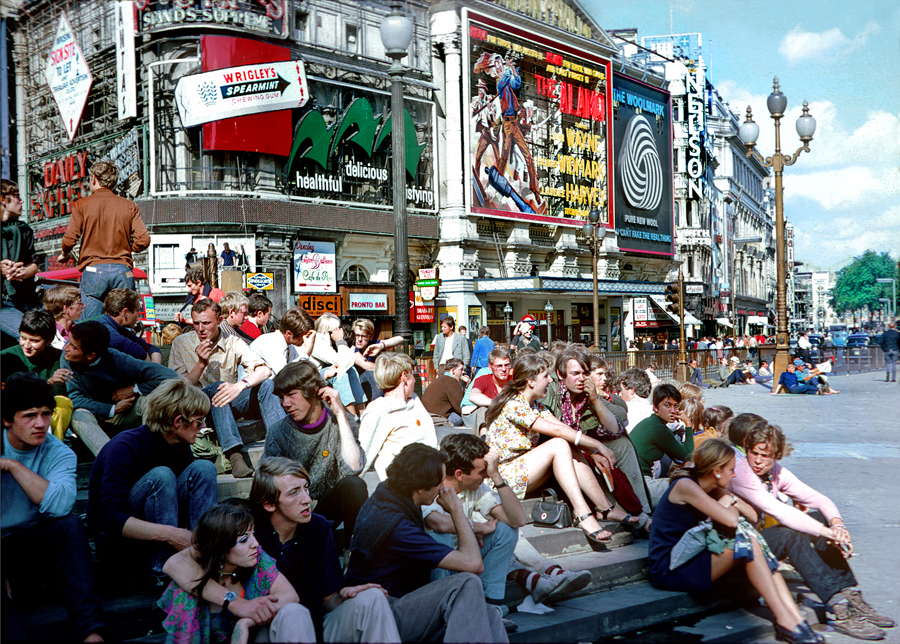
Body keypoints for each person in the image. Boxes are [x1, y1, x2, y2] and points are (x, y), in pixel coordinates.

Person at [165, 458, 400, 643]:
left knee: (373, 598)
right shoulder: (244, 524)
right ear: (269, 504)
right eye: (294, 492)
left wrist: (346, 595)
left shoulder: (318, 527)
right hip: (266, 631)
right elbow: (176, 563)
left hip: (316, 626)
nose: (307, 499)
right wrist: (236, 603)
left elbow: (328, 600)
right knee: (291, 613)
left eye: (306, 488)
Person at [731, 422, 894, 640]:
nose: (759, 461)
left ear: (776, 456)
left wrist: (837, 525)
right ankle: (839, 609)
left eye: (766, 456)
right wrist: (829, 534)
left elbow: (817, 499)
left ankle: (850, 594)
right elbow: (780, 512)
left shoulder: (775, 472)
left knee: (818, 517)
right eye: (755, 453)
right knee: (790, 534)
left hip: (756, 541)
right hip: (736, 548)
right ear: (747, 450)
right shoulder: (742, 471)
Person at [648, 439, 821, 644]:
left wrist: (728, 497)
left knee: (754, 542)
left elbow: (752, 516)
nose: (735, 475)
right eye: (731, 470)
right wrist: (728, 501)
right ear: (716, 471)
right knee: (748, 542)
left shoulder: (713, 486)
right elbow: (731, 520)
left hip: (693, 555)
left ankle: (794, 619)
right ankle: (785, 621)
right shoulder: (686, 486)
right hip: (670, 566)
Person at [345, 443, 509, 642]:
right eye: (439, 482)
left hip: (397, 603)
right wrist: (457, 510)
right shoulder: (396, 526)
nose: (443, 487)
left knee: (489, 614)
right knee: (466, 583)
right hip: (380, 614)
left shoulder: (389, 495)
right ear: (421, 489)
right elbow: (473, 564)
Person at [1, 373, 106, 643]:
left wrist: (13, 466)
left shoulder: (58, 452)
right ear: (6, 419)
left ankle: (91, 632)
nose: (40, 424)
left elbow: (60, 506)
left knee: (69, 525)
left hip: (35, 549)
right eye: (29, 415)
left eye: (46, 414)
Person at [86, 378, 218, 583]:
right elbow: (109, 517)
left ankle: (204, 556)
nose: (204, 426)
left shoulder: (179, 444)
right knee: (162, 475)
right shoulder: (124, 446)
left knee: (205, 468)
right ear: (177, 422)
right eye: (199, 421)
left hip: (166, 530)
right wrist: (172, 534)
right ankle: (164, 572)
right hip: (117, 541)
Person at [484, 351, 620, 546]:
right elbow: (558, 430)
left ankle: (605, 507)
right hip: (502, 477)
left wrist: (592, 452)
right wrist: (598, 445)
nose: (550, 380)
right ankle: (583, 514)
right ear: (531, 381)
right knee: (559, 443)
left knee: (568, 443)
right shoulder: (514, 405)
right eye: (545, 376)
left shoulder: (536, 406)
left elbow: (566, 429)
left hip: (522, 470)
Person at [158, 501, 308, 644]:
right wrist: (237, 605)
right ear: (220, 548)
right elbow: (172, 564)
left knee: (294, 612)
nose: (255, 544)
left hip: (255, 639)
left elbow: (289, 595)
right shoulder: (190, 579)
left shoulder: (257, 558)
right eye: (243, 540)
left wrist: (245, 622)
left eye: (252, 534)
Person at [169, 298, 285, 478]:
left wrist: (240, 385)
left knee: (267, 385)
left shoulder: (233, 341)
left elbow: (265, 370)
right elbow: (178, 389)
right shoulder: (181, 343)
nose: (200, 328)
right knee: (218, 387)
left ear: (219, 321)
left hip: (228, 402)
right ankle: (234, 454)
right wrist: (200, 364)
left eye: (206, 323)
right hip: (196, 404)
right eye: (196, 323)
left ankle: (279, 448)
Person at [541, 347, 652, 523]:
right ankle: (615, 510)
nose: (580, 378)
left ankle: (642, 511)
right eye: (575, 373)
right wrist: (594, 450)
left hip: (579, 446)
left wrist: (595, 398)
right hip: (554, 452)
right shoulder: (550, 391)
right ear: (560, 375)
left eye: (584, 373)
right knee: (594, 456)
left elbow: (615, 428)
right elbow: (553, 432)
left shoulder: (584, 393)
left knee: (622, 444)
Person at [264, 361, 367, 542]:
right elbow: (269, 489)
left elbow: (353, 468)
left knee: (354, 485)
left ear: (314, 392)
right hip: (293, 517)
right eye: (281, 397)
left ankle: (354, 552)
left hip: (326, 510)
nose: (285, 403)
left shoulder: (341, 421)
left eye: (291, 395)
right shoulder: (278, 433)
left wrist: (341, 414)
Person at [424, 434, 524, 613]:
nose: (485, 477)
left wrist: (496, 476)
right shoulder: (430, 484)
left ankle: (490, 601)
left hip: (464, 561)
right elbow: (439, 524)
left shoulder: (475, 489)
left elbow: (517, 520)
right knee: (441, 538)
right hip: (432, 571)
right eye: (482, 472)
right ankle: (442, 608)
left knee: (507, 530)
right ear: (459, 474)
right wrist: (478, 527)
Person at [58, 161, 150, 321]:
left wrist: (64, 253)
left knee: (91, 326)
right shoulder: (129, 206)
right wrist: (128, 247)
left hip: (94, 271)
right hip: (123, 270)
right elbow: (144, 240)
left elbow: (69, 239)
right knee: (123, 326)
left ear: (93, 179)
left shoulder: (82, 205)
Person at [62, 321, 177, 434]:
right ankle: (108, 453)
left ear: (91, 356)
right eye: (69, 342)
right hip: (95, 417)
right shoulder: (67, 358)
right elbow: (75, 399)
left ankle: (150, 446)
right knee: (79, 415)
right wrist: (112, 409)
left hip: (124, 414)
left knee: (147, 401)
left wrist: (134, 389)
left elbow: (169, 376)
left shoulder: (116, 359)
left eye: (73, 346)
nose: (65, 348)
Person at [358, 352, 436, 480]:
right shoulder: (379, 410)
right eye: (412, 375)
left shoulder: (414, 400)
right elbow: (363, 457)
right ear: (404, 377)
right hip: (406, 483)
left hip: (434, 474)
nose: (415, 379)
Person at [1, 308, 74, 439]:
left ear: (49, 340)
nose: (27, 345)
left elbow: (59, 395)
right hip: (15, 416)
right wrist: (48, 383)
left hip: (46, 412)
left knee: (63, 403)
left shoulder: (57, 357)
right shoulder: (7, 357)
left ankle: (51, 447)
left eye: (34, 341)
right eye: (23, 338)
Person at [629, 384, 693, 507]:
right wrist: (689, 424)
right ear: (656, 407)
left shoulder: (651, 423)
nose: (673, 411)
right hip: (641, 487)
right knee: (691, 484)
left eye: (676, 406)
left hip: (635, 481)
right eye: (667, 405)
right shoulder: (658, 429)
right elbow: (688, 455)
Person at [1, 179, 42, 339]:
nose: (21, 200)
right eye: (16, 196)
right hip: (3, 303)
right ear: (3, 199)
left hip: (26, 298)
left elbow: (34, 264)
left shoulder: (24, 229)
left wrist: (23, 272)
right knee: (31, 337)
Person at [309, 312, 366, 415]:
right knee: (340, 373)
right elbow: (343, 362)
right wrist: (340, 340)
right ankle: (351, 417)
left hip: (321, 376)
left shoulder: (327, 342)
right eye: (337, 329)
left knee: (351, 370)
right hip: (312, 378)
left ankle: (362, 414)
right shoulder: (317, 340)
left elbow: (349, 363)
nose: (341, 331)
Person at [98, 288, 163, 363]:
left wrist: (155, 368)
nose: (138, 315)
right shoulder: (103, 329)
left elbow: (152, 348)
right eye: (137, 311)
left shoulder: (119, 329)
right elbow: (139, 352)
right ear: (125, 312)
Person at [351, 318, 403, 401]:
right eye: (357, 335)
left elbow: (400, 339)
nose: (359, 339)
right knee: (370, 374)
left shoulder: (372, 344)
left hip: (370, 387)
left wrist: (381, 345)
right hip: (356, 386)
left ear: (371, 337)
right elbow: (367, 366)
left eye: (363, 336)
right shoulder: (351, 348)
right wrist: (391, 370)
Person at [421, 357, 468, 426]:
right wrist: (467, 386)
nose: (463, 372)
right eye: (461, 369)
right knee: (464, 416)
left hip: (426, 418)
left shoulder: (439, 379)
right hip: (437, 421)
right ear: (453, 371)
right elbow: (460, 408)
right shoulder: (452, 382)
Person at [43, 284, 85, 349]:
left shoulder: (79, 330)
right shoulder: (47, 334)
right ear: (66, 308)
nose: (84, 306)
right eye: (79, 303)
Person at [618, 367, 654, 431]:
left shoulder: (624, 411)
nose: (620, 394)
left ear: (631, 391)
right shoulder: (654, 411)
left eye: (621, 390)